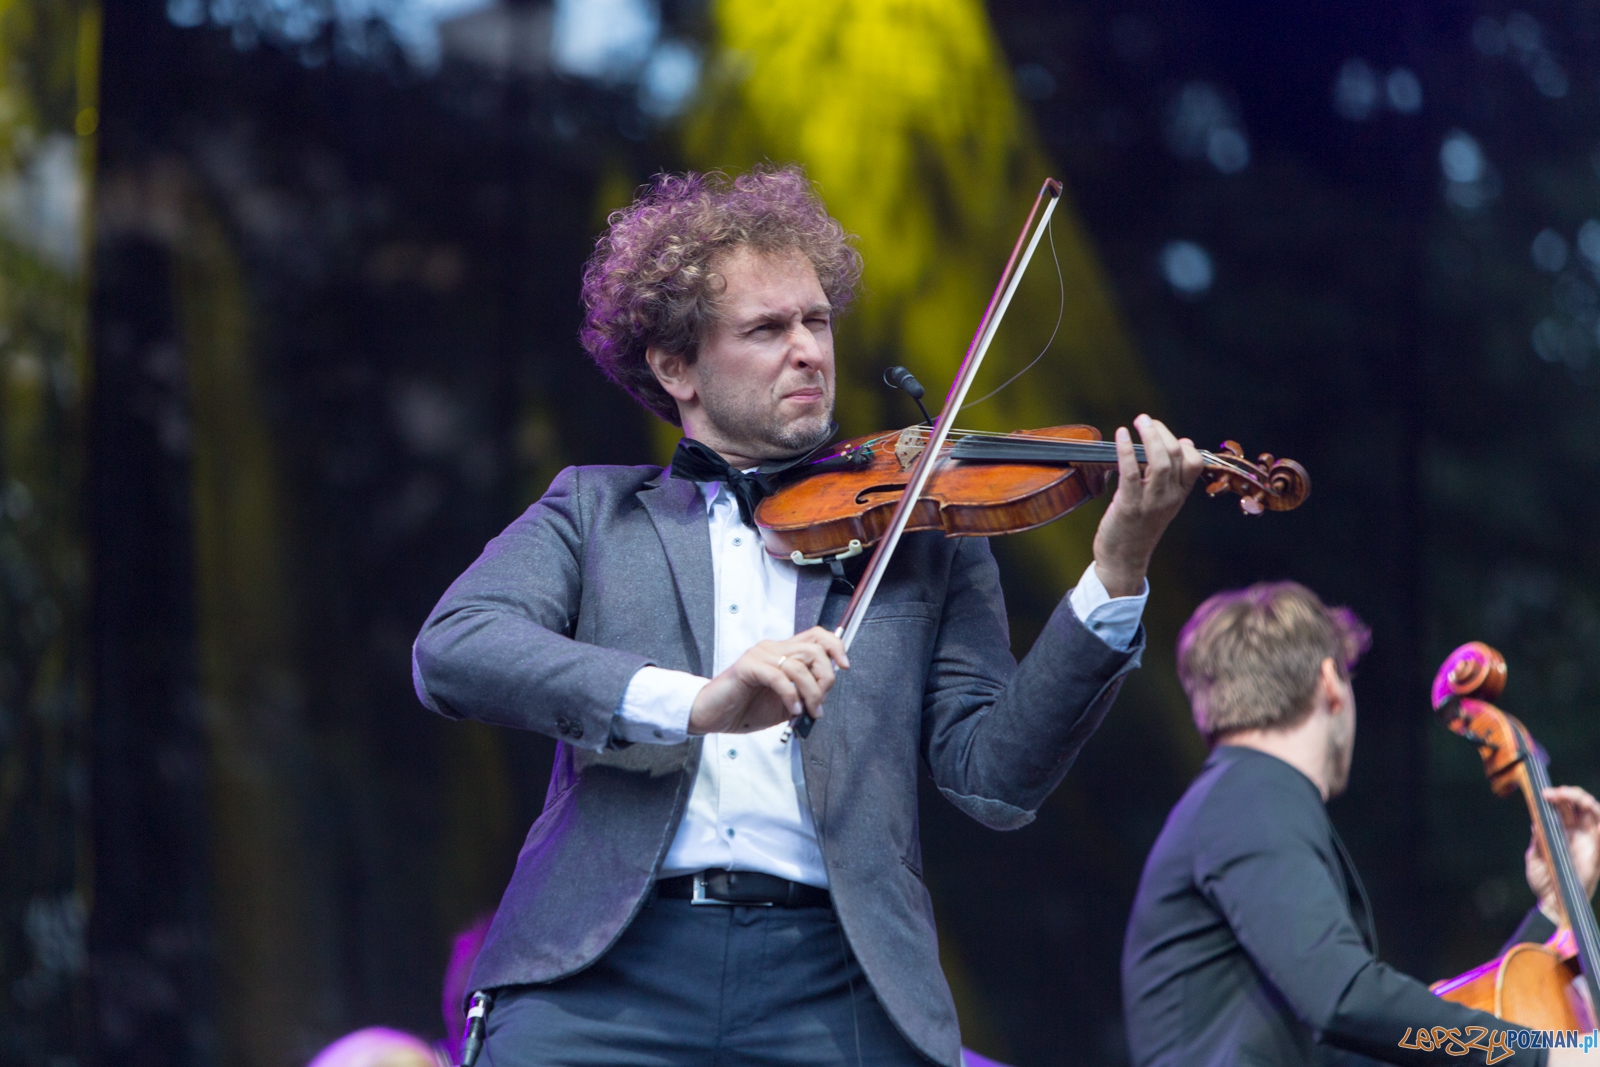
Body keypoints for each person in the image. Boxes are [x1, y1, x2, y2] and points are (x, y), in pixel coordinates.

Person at [410, 164, 1203, 1066]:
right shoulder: (595, 513)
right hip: (600, 976)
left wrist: (1118, 566)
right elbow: (455, 647)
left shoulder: (925, 533)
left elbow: (996, 776)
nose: (809, 350)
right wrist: (696, 701)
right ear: (676, 366)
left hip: (836, 983)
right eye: (767, 328)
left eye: (816, 321)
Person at [1121, 582, 1600, 1066]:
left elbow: (1394, 1037)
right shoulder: (1251, 795)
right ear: (1331, 682)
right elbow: (1348, 1002)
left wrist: (1553, 911)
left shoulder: (1238, 800)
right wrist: (1549, 1058)